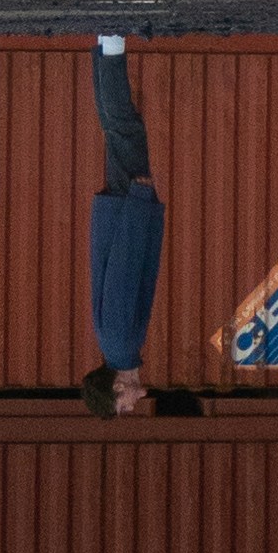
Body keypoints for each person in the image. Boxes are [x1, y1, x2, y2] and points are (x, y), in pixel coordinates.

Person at [81, 36, 163, 415]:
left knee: (124, 127)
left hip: (126, 208)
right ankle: (104, 42)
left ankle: (111, 38)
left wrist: (137, 201)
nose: (131, 406)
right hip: (120, 209)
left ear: (116, 388)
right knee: (117, 128)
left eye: (123, 406)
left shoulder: (120, 341)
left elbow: (123, 271)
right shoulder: (118, 344)